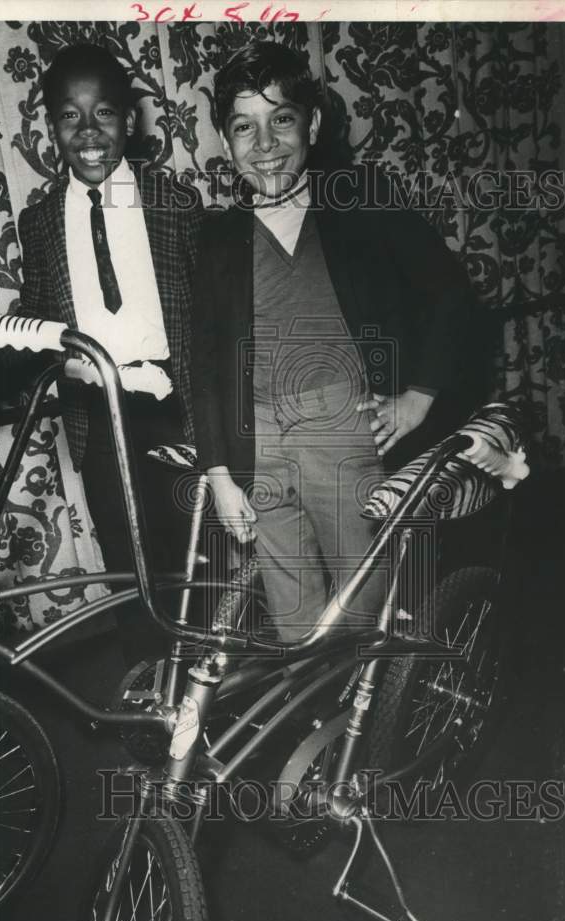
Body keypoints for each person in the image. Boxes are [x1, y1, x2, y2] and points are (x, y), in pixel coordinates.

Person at [190, 40, 486, 642]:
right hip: (259, 440)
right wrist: (220, 474)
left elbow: (451, 295)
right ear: (225, 141)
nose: (265, 144)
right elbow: (204, 361)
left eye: (282, 120)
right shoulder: (218, 238)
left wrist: (420, 395)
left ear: (314, 124)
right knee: (293, 613)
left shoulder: (361, 204)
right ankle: (318, 724)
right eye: (245, 127)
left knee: (362, 602)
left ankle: (366, 727)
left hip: (347, 432)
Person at [0, 43, 203, 586]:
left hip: (180, 409)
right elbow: (38, 323)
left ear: (129, 120)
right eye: (69, 116)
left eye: (102, 112)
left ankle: (210, 669)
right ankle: (145, 671)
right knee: (128, 573)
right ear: (51, 129)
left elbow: (215, 317)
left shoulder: (176, 203)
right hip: (97, 419)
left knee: (197, 565)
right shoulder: (39, 222)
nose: (87, 131)